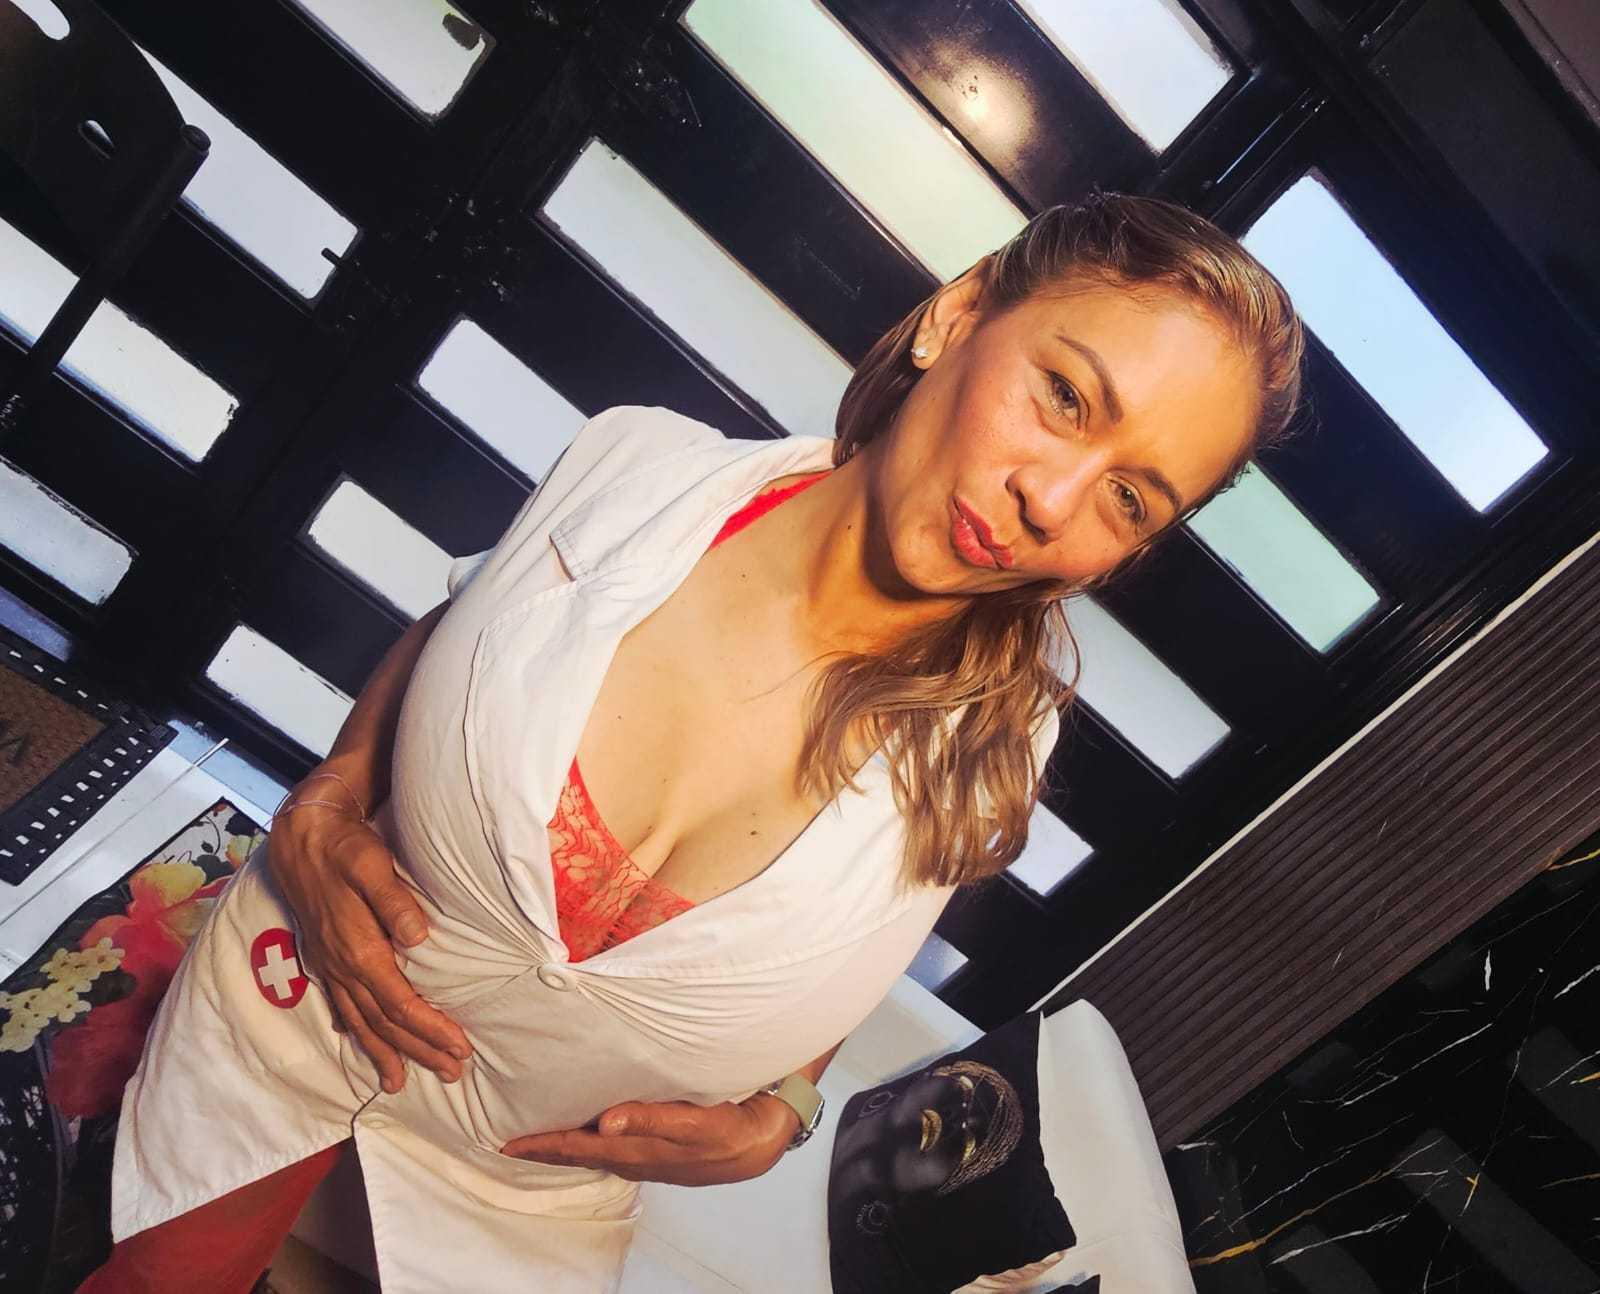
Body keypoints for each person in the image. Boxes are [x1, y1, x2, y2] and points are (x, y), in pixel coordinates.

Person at [80, 191, 1302, 1291]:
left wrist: (786, 1104)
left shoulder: (993, 757)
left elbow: (845, 939)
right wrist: (332, 791)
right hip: (287, 1009)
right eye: (1066, 395)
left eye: (1129, 498)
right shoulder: (639, 466)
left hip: (515, 1199)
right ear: (959, 314)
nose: (1052, 498)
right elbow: (469, 618)